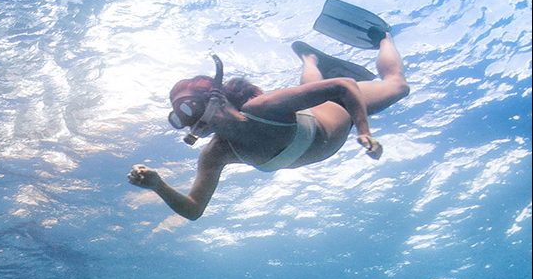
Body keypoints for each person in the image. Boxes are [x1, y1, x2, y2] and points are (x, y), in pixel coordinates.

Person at [129, 36, 410, 221]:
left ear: (214, 97)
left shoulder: (261, 108)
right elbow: (194, 208)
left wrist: (363, 131)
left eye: (189, 110)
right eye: (179, 119)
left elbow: (343, 87)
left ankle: (383, 35)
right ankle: (311, 59)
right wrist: (158, 185)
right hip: (315, 118)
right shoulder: (216, 154)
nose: (189, 124)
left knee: (398, 86)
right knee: (306, 92)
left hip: (339, 108)